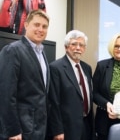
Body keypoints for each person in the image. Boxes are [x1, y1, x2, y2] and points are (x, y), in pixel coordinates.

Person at [0, 9, 50, 140]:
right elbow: (5, 94)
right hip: (21, 130)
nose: (41, 29)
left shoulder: (42, 53)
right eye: (36, 24)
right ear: (26, 25)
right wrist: (12, 130)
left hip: (39, 128)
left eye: (44, 26)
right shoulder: (12, 51)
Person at [47, 30, 94, 140]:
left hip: (86, 125)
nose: (78, 48)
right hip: (67, 128)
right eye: (74, 44)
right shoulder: (56, 68)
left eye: (81, 45)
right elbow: (53, 102)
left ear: (84, 49)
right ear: (66, 47)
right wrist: (57, 130)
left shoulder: (87, 68)